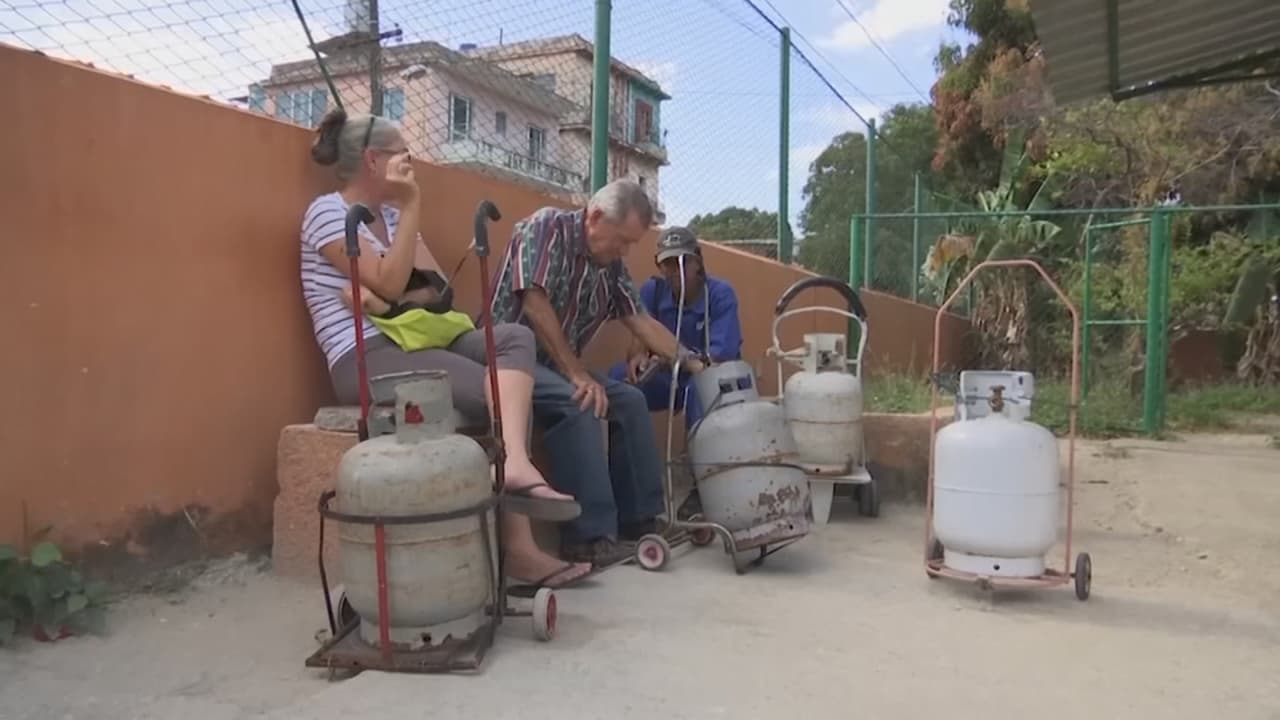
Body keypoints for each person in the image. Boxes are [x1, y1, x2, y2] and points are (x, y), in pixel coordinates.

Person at [300, 108, 590, 591]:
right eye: (401, 152)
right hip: (365, 354)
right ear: (373, 160)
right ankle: (519, 547)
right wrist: (411, 213)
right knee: (489, 388)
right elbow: (395, 279)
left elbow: (436, 293)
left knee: (513, 338)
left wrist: (383, 299)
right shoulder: (328, 212)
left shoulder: (391, 216)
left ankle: (515, 461)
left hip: (416, 333)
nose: (411, 159)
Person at [488, 179, 707, 568]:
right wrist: (576, 373)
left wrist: (692, 362)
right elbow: (534, 303)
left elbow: (638, 319)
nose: (625, 251)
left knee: (631, 401)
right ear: (595, 217)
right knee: (583, 401)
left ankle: (640, 521)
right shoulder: (545, 228)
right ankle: (588, 538)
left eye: (630, 245)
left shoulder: (610, 265)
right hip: (508, 364)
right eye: (622, 241)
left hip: (555, 367)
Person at [608, 226, 743, 432]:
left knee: (697, 388)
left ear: (697, 261)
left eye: (682, 262)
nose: (674, 271)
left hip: (708, 376)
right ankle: (624, 461)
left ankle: (700, 461)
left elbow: (718, 361)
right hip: (667, 375)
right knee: (618, 381)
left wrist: (674, 359)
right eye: (668, 264)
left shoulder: (720, 294)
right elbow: (637, 346)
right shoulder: (652, 291)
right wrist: (639, 358)